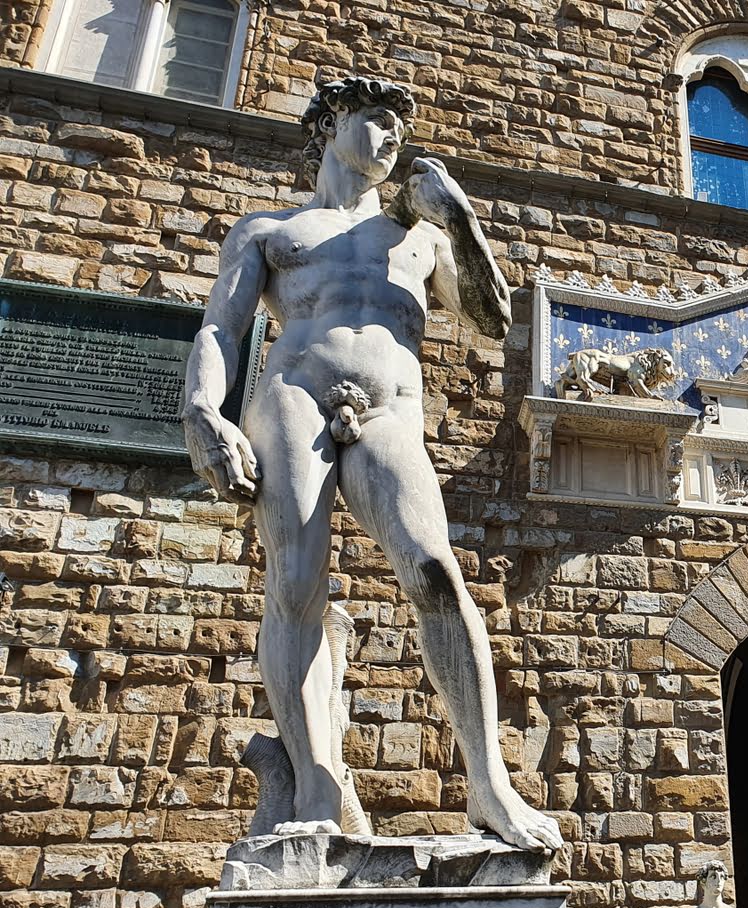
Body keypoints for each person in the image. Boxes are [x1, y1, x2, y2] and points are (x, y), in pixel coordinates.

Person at [181, 76, 561, 853]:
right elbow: (222, 329)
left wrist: (456, 214)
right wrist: (202, 413)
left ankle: (489, 785)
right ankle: (315, 790)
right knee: (295, 583)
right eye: (378, 123)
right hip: (293, 393)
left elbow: (492, 319)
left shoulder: (419, 237)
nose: (392, 140)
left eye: (399, 129)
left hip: (391, 408)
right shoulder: (270, 230)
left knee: (434, 572)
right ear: (331, 125)